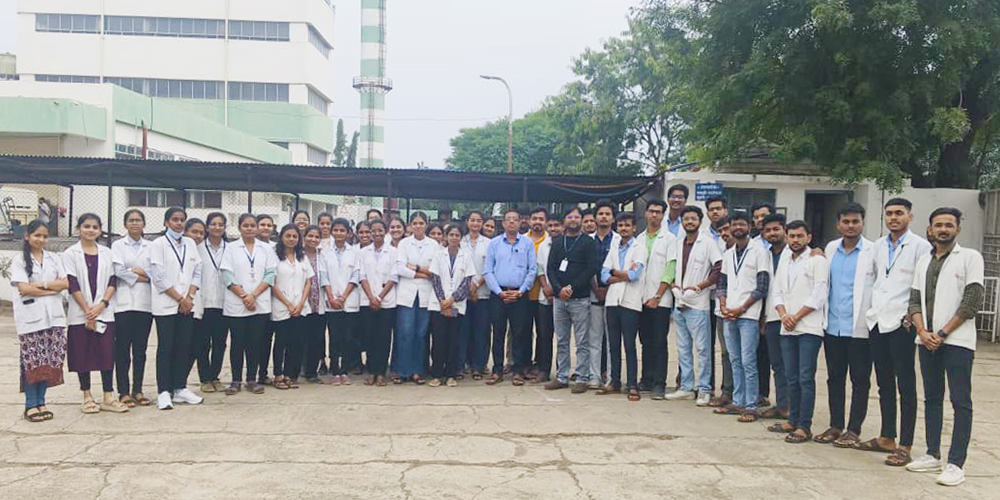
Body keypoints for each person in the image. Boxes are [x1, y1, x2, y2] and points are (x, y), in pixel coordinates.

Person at [906, 207, 983, 486]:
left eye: (949, 225)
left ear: (957, 229)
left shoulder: (970, 257)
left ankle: (955, 464)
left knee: (960, 401)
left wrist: (941, 333)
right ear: (930, 230)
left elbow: (971, 302)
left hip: (957, 342)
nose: (943, 229)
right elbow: (914, 300)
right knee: (932, 398)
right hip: (927, 341)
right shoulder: (923, 261)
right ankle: (932, 454)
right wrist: (922, 332)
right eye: (938, 225)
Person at [860, 198, 932, 467]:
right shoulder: (878, 246)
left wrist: (915, 318)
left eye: (899, 213)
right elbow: (876, 280)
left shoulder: (921, 247)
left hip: (904, 323)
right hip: (878, 321)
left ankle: (905, 444)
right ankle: (887, 436)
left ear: (909, 217)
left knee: (906, 384)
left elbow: (922, 287)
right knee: (884, 383)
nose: (893, 218)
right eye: (889, 213)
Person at [817, 203, 874, 447]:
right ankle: (835, 425)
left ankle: (853, 429)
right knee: (835, 378)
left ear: (862, 223)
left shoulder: (872, 251)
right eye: (846, 222)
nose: (851, 226)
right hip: (833, 327)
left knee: (860, 380)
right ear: (838, 224)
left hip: (860, 328)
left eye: (855, 221)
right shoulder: (830, 249)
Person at [770, 220, 828, 443]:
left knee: (805, 377)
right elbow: (777, 292)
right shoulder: (785, 261)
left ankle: (804, 426)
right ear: (786, 238)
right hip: (787, 327)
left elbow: (819, 294)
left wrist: (796, 316)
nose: (795, 240)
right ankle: (792, 420)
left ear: (808, 238)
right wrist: (784, 314)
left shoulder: (817, 260)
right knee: (791, 376)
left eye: (799, 236)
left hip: (809, 328)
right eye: (792, 236)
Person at [63, 213, 128, 414]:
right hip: (80, 313)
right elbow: (72, 283)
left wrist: (102, 305)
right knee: (82, 354)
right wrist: (88, 312)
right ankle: (87, 396)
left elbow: (112, 281)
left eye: (94, 227)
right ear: (78, 229)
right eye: (86, 226)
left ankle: (108, 396)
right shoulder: (70, 253)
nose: (90, 230)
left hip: (104, 312)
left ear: (100, 230)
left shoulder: (107, 253)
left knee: (106, 353)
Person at [11, 220, 69, 422]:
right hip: (30, 319)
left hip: (54, 318)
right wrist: (51, 290)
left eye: (45, 236)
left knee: (49, 361)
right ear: (27, 236)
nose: (41, 239)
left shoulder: (54, 258)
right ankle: (30, 405)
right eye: (37, 235)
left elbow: (65, 283)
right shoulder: (19, 260)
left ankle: (42, 402)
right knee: (32, 361)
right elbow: (24, 289)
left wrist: (40, 285)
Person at [665, 206, 722, 406]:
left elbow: (718, 267)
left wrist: (701, 286)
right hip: (679, 301)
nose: (689, 222)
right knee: (683, 348)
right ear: (682, 222)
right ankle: (686, 387)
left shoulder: (708, 243)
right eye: (686, 219)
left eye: (693, 219)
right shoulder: (678, 243)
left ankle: (705, 389)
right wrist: (673, 285)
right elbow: (671, 266)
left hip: (698, 304)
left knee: (703, 349)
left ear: (700, 221)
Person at [147, 207, 203, 409]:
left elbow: (197, 270)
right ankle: (164, 391)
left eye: (182, 220)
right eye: (174, 219)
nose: (179, 223)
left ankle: (180, 388)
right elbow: (158, 277)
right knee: (166, 347)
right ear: (166, 223)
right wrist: (180, 299)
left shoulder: (190, 243)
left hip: (187, 304)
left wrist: (189, 297)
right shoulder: (158, 244)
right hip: (166, 305)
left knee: (183, 346)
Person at [716, 211, 770, 423]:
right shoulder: (728, 253)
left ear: (750, 227)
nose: (737, 227)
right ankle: (738, 401)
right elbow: (722, 284)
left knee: (748, 361)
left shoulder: (759, 252)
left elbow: (762, 287)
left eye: (742, 224)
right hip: (729, 314)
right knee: (734, 359)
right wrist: (723, 305)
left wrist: (741, 308)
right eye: (734, 224)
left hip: (748, 315)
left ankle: (751, 406)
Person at [220, 214, 276, 396]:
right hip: (237, 303)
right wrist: (245, 296)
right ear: (239, 228)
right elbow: (227, 274)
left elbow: (270, 274)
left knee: (255, 343)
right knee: (237, 343)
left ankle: (252, 379)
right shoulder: (230, 248)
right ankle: (236, 380)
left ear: (257, 228)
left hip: (259, 303)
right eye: (246, 225)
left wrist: (254, 295)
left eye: (253, 225)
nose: (250, 228)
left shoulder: (266, 249)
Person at [544, 206, 598, 394]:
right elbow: (550, 268)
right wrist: (559, 289)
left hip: (580, 298)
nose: (573, 219)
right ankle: (562, 376)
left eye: (576, 216)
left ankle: (582, 377)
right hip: (559, 299)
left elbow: (591, 269)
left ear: (581, 220)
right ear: (565, 220)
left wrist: (572, 287)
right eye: (569, 216)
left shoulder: (588, 242)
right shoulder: (558, 242)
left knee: (582, 341)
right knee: (561, 340)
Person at [482, 208, 536, 385]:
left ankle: (517, 371)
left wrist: (521, 291)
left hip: (520, 295)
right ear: (503, 223)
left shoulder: (527, 243)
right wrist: (499, 292)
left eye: (515, 219)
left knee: (519, 333)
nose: (512, 222)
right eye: (508, 219)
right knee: (498, 333)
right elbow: (488, 271)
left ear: (520, 222)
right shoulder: (494, 244)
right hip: (498, 295)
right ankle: (497, 370)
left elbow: (532, 270)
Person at [597, 212, 646, 401]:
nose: (624, 228)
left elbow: (634, 275)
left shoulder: (639, 248)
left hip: (630, 302)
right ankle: (614, 381)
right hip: (612, 301)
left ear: (634, 228)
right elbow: (603, 275)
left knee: (629, 345)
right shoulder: (614, 247)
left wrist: (613, 273)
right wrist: (620, 274)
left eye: (627, 225)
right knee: (613, 344)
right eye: (620, 225)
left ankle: (632, 384)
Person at [110, 209, 153, 407]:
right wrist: (142, 276)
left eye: (138, 220)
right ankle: (124, 392)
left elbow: (155, 272)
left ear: (144, 224)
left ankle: (138, 390)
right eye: (131, 220)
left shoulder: (151, 247)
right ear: (125, 224)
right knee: (122, 350)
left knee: (140, 351)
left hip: (145, 304)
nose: (135, 223)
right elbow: (118, 271)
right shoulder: (118, 245)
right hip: (123, 304)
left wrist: (135, 272)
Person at [637, 199, 677, 400]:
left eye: (658, 212)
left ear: (663, 215)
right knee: (645, 341)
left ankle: (659, 384)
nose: (654, 215)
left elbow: (670, 269)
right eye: (651, 211)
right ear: (645, 213)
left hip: (660, 300)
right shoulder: (639, 238)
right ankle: (646, 379)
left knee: (659, 341)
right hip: (640, 299)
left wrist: (658, 296)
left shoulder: (670, 239)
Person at [428, 224, 476, 387]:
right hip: (439, 305)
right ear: (446, 237)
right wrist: (443, 301)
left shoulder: (466, 256)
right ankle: (436, 375)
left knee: (453, 341)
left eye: (457, 235)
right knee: (438, 341)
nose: (454, 238)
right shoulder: (438, 255)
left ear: (461, 238)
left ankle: (450, 375)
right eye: (451, 235)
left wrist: (452, 300)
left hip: (456, 305)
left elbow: (466, 282)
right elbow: (435, 280)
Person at [394, 212, 437, 384]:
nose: (418, 226)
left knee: (421, 333)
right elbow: (400, 269)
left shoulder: (433, 244)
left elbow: (435, 270)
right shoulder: (404, 243)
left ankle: (417, 371)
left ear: (426, 224)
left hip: (426, 294)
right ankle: (402, 371)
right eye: (415, 223)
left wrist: (416, 268)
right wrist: (423, 274)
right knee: (405, 332)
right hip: (407, 293)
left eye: (421, 223)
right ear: (410, 225)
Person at [271, 224, 314, 390]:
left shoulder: (302, 257)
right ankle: (278, 375)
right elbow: (272, 283)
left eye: (295, 236)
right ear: (281, 237)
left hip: (300, 307)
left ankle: (289, 375)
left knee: (296, 343)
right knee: (280, 343)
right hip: (282, 306)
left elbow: (308, 281)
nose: (291, 239)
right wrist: (288, 304)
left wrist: (301, 303)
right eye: (288, 236)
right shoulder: (275, 256)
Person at [319, 218, 362, 385]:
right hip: (332, 302)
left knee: (348, 337)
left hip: (348, 300)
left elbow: (356, 275)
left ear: (348, 233)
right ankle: (335, 371)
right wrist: (331, 297)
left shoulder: (355, 252)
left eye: (342, 230)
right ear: (331, 232)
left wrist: (343, 297)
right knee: (334, 337)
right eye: (335, 230)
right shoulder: (325, 252)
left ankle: (344, 371)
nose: (338, 233)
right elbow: (323, 276)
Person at [759, 214, 791, 418]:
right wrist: (762, 316)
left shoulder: (797, 252)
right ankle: (782, 405)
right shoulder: (765, 254)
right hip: (771, 315)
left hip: (791, 316)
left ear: (784, 231)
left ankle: (791, 407)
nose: (772, 233)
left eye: (776, 229)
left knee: (791, 365)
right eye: (768, 230)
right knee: (777, 364)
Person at [194, 212, 229, 393]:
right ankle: (205, 378)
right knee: (202, 343)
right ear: (207, 227)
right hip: (204, 302)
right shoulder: (198, 248)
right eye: (213, 224)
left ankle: (215, 376)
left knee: (220, 343)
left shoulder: (230, 249)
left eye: (220, 224)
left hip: (224, 303)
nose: (217, 227)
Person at [359, 219, 398, 386]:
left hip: (386, 301)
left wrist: (379, 297)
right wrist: (371, 297)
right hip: (367, 301)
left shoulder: (393, 252)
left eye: (380, 230)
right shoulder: (363, 252)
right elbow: (362, 276)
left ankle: (381, 372)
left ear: (385, 231)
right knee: (369, 336)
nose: (376, 233)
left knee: (384, 337)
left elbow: (393, 277)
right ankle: (371, 371)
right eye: (373, 231)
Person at [589, 200, 619, 389]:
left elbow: (620, 267)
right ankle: (593, 376)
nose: (604, 217)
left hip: (613, 293)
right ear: (595, 218)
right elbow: (586, 268)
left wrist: (607, 289)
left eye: (608, 214)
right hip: (593, 293)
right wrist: (596, 289)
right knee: (594, 338)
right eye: (600, 214)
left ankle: (611, 377)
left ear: (613, 218)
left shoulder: (619, 240)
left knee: (612, 339)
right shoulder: (587, 240)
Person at [709, 215, 736, 407]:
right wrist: (723, 303)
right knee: (726, 352)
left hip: (743, 311)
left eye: (727, 229)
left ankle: (742, 395)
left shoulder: (754, 251)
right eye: (721, 231)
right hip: (722, 310)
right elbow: (721, 283)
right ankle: (727, 391)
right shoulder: (724, 252)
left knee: (741, 355)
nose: (725, 233)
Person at [460, 211, 491, 381]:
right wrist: (468, 288)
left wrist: (477, 285)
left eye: (479, 221)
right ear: (467, 222)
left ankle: (478, 366)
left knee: (481, 331)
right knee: (464, 330)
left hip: (483, 293)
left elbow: (490, 268)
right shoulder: (460, 241)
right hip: (463, 294)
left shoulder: (489, 243)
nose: (475, 223)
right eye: (472, 220)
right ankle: (464, 363)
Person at [299, 225, 326, 383]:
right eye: (310, 236)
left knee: (316, 339)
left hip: (318, 304)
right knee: (300, 339)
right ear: (304, 237)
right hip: (301, 303)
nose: (313, 239)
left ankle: (312, 372)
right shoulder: (297, 255)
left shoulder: (322, 255)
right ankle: (296, 370)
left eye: (317, 237)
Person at [525, 207, 549, 378]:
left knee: (543, 333)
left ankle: (541, 365)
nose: (537, 222)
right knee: (524, 332)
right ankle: (525, 364)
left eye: (541, 219)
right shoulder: (522, 240)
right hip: (525, 294)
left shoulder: (550, 241)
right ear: (529, 221)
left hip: (544, 295)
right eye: (534, 218)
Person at [533, 214, 555, 383]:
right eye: (551, 225)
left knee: (564, 338)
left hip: (566, 296)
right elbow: (539, 269)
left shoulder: (569, 243)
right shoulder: (543, 245)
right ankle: (543, 370)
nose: (554, 228)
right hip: (545, 296)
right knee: (544, 335)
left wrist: (559, 291)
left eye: (557, 225)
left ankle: (563, 371)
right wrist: (546, 288)